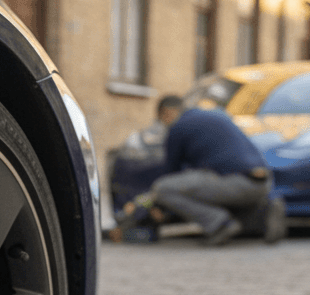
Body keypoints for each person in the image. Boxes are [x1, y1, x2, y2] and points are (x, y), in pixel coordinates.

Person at [117, 95, 286, 246]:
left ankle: (219, 224)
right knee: (207, 182)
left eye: (162, 119)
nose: (164, 125)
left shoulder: (178, 127)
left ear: (167, 113)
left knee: (163, 189)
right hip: (263, 182)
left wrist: (150, 200)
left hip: (235, 183)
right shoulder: (213, 115)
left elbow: (170, 172)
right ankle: (264, 210)